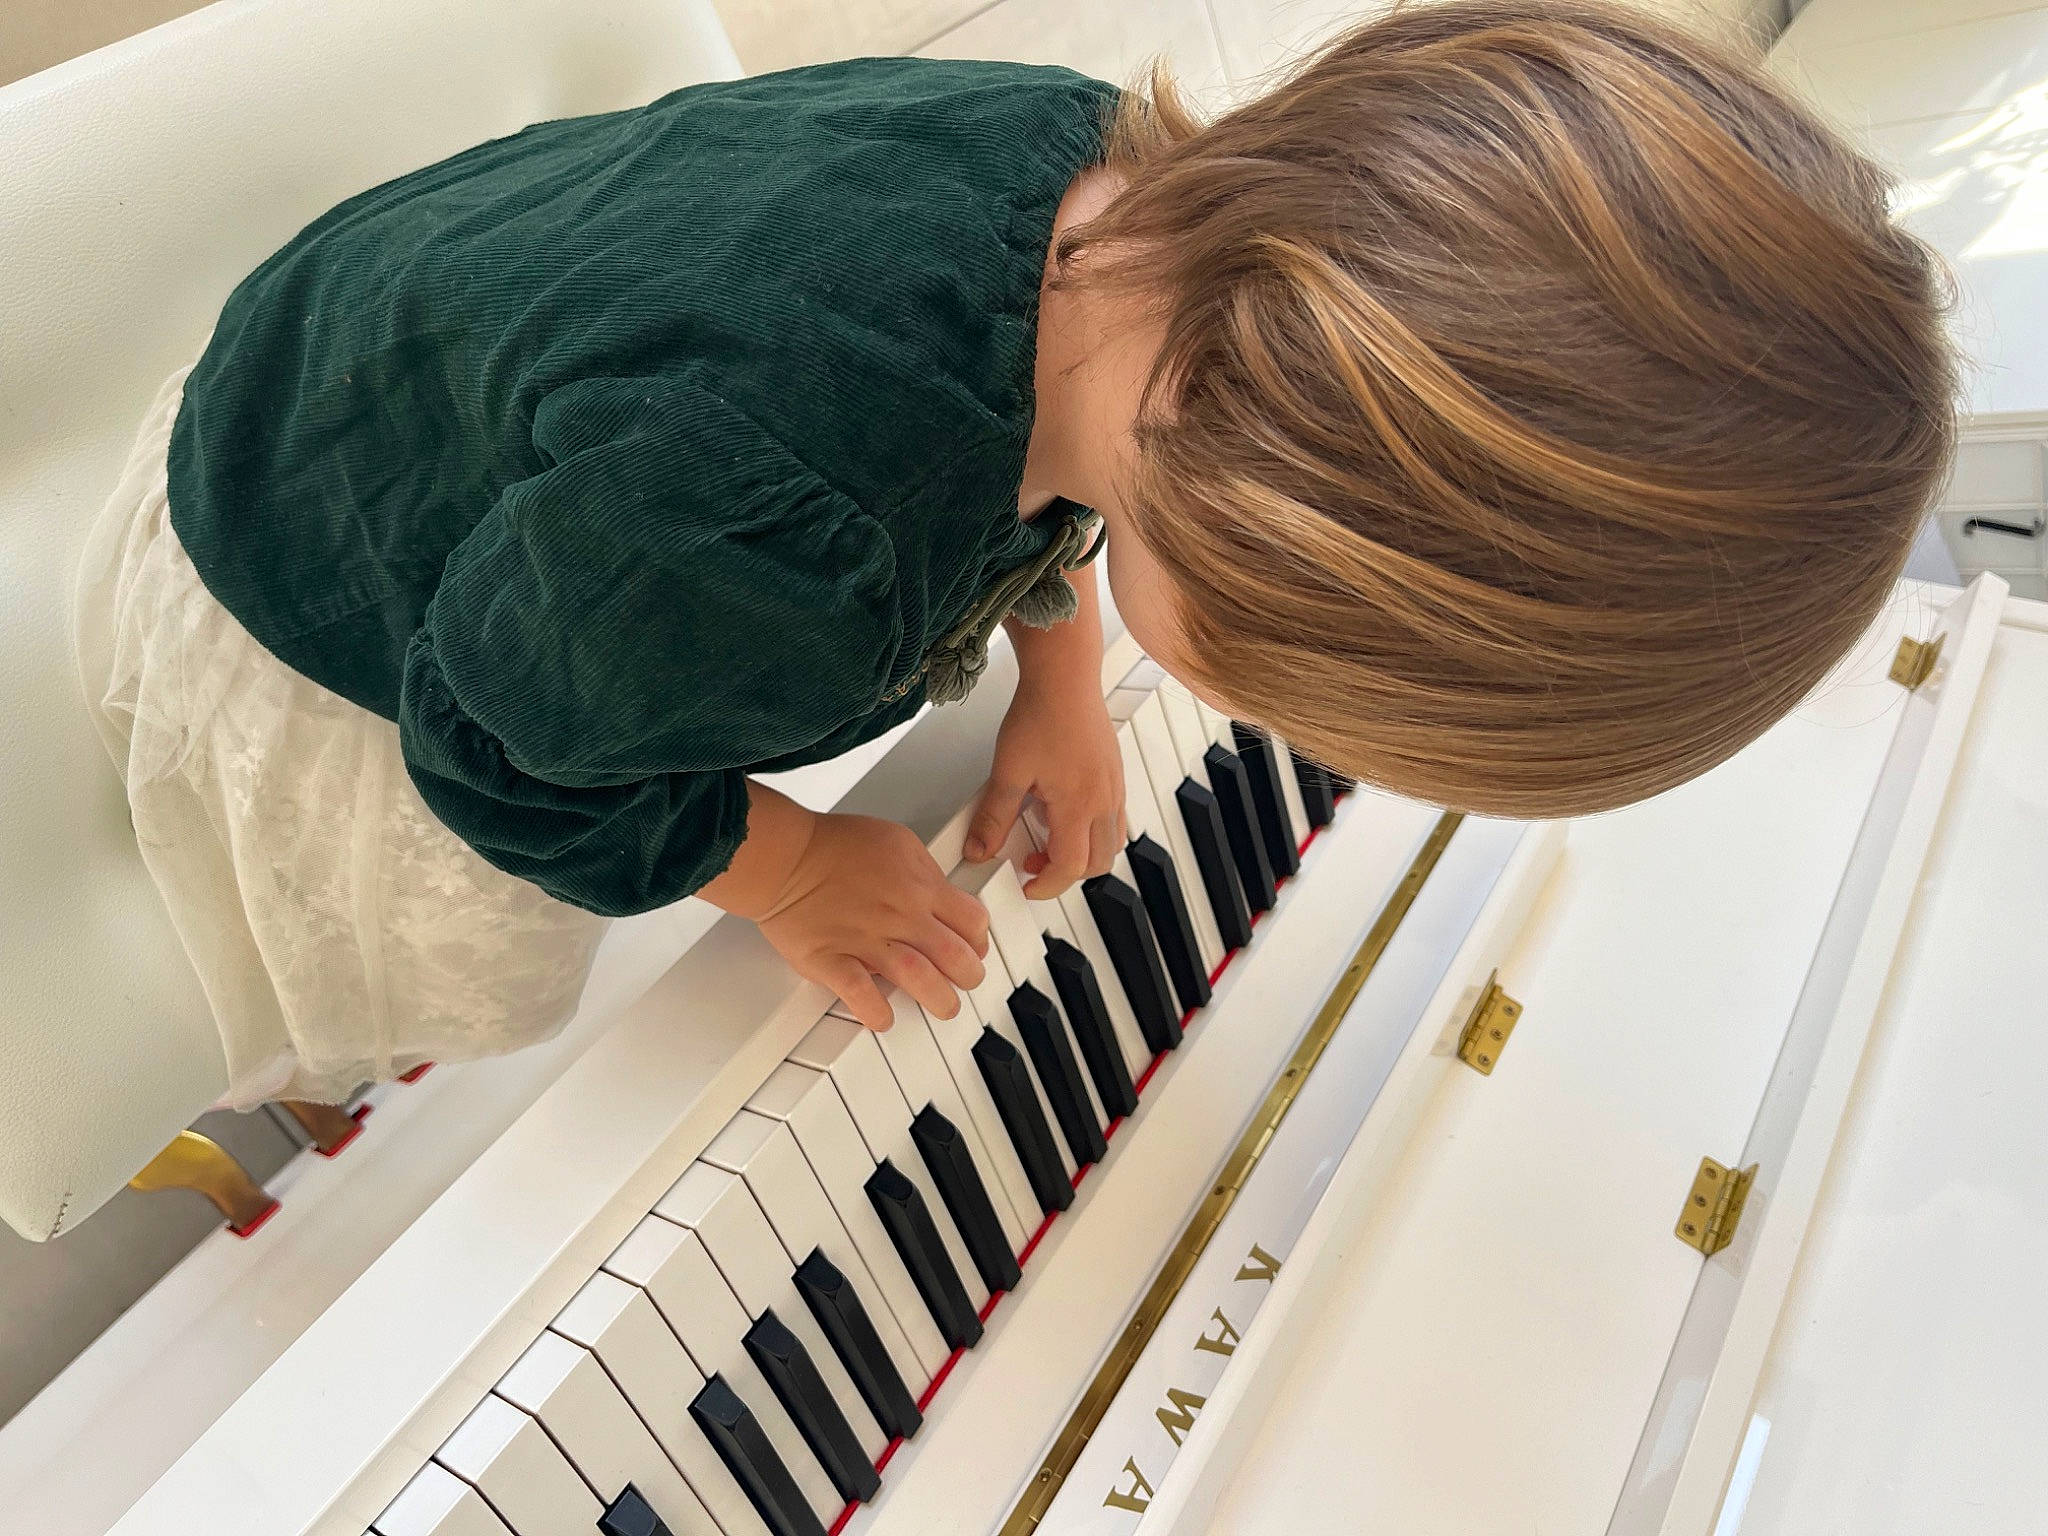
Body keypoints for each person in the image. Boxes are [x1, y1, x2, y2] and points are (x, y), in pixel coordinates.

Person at [72, 0, 1958, 1109]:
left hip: (459, 325)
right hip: (316, 531)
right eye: (1303, 694)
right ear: (1242, 531)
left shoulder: (1109, 183)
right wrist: (789, 861)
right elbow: (495, 749)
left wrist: (1059, 667)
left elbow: (1038, 447)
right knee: (474, 899)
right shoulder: (774, 531)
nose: (1280, 721)